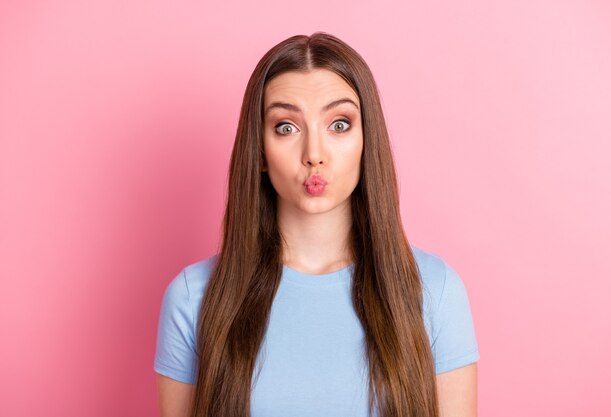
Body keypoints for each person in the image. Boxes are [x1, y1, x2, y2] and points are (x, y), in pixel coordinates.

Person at [154, 32, 479, 417]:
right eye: (286, 127)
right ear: (258, 150)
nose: (314, 155)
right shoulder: (194, 299)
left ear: (366, 140)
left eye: (339, 124)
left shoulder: (435, 291)